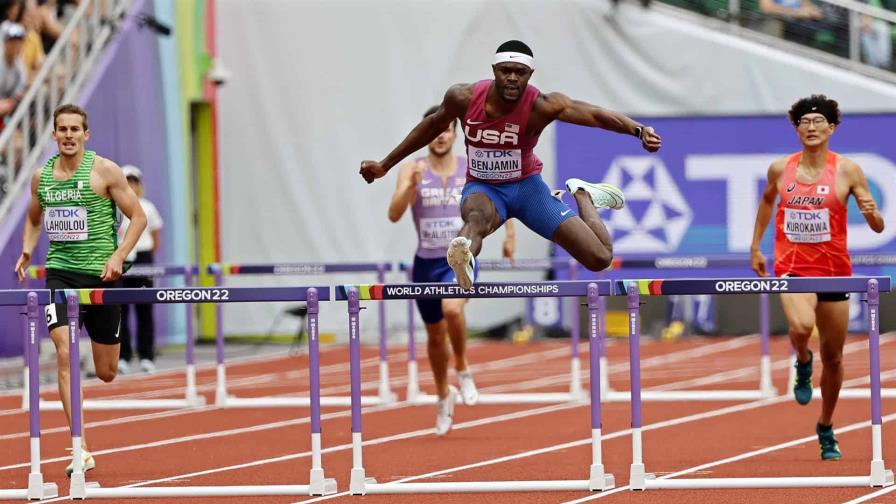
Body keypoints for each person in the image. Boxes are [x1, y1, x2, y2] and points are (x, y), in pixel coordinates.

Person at [361, 40, 661, 290]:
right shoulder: (463, 98)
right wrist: (386, 164)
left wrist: (637, 130)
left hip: (528, 190)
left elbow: (595, 115)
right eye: (506, 71)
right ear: (494, 71)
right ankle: (462, 259)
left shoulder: (542, 106)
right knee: (476, 219)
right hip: (484, 187)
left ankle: (582, 194)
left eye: (520, 72)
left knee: (600, 259)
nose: (513, 78)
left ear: (530, 73)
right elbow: (430, 126)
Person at [14, 103, 147, 476]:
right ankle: (80, 448)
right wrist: (27, 248)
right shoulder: (42, 177)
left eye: (75, 129)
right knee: (64, 351)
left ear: (85, 134)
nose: (69, 135)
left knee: (106, 371)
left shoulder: (105, 171)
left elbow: (139, 217)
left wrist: (119, 255)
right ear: (54, 134)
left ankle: (82, 440)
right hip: (61, 276)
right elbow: (34, 216)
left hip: (102, 276)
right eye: (63, 129)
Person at [750, 94, 885, 461]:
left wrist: (872, 215)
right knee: (800, 324)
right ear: (797, 129)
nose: (811, 127)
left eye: (817, 122)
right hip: (792, 267)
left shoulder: (848, 170)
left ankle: (826, 425)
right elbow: (766, 202)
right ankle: (802, 360)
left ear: (831, 128)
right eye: (804, 122)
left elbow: (877, 226)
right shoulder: (781, 169)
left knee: (836, 357)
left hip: (835, 271)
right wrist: (756, 247)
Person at [388, 105, 516, 436]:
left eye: (448, 130)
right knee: (433, 335)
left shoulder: (470, 169)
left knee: (452, 309)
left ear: (456, 135)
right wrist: (409, 189)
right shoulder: (412, 168)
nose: (442, 135)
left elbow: (504, 199)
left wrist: (510, 237)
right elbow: (394, 214)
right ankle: (444, 395)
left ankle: (462, 363)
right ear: (428, 132)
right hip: (425, 263)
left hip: (460, 260)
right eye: (436, 130)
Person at [117, 164, 163, 374]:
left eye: (134, 182)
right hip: (119, 259)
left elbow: (155, 238)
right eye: (127, 181)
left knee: (145, 309)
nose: (131, 186)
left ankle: (147, 356)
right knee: (119, 310)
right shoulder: (114, 207)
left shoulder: (148, 207)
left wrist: (146, 256)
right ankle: (123, 356)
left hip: (143, 259)